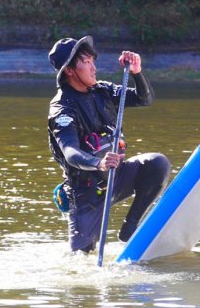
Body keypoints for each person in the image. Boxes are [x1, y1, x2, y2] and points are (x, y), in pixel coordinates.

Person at [47, 36, 171, 253]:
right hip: (86, 192)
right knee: (81, 259)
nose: (94, 67)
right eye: (86, 62)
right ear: (69, 70)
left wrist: (136, 72)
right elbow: (70, 152)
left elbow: (144, 99)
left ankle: (130, 229)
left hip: (118, 176)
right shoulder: (62, 109)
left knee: (157, 164)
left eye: (93, 61)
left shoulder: (102, 91)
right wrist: (99, 163)